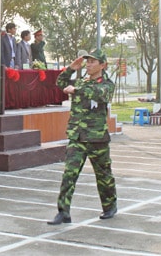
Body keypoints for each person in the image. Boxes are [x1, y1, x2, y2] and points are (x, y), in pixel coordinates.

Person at [48, 48, 117, 225]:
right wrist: (71, 68)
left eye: (93, 61)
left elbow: (98, 93)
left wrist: (76, 90)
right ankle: (63, 212)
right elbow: (60, 82)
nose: (89, 64)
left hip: (97, 137)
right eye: (88, 61)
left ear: (103, 65)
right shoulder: (82, 80)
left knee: (103, 175)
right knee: (69, 174)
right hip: (77, 136)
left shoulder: (107, 84)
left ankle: (109, 206)